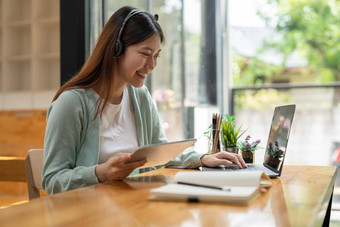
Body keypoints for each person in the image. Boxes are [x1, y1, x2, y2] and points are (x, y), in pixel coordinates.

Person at [42, 6, 246, 195]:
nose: (152, 65)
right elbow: (52, 181)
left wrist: (202, 158)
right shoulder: (71, 104)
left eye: (156, 55)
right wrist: (100, 173)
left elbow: (159, 151)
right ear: (116, 49)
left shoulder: (140, 97)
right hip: (88, 214)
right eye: (145, 54)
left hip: (131, 206)